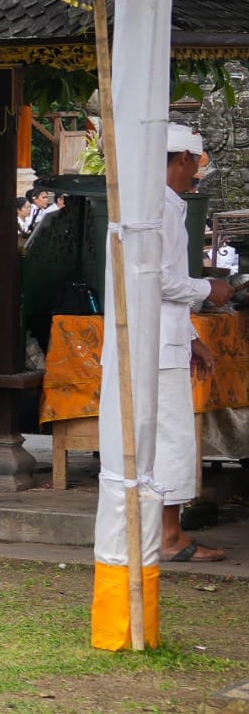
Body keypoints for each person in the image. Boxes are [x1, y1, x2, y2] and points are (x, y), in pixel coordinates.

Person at [160, 124, 235, 561]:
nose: (197, 176)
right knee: (169, 438)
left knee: (168, 437)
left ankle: (165, 532)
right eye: (197, 165)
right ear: (184, 159)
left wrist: (191, 338)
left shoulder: (168, 205)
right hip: (155, 351)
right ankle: (169, 536)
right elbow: (159, 281)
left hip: (167, 339)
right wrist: (210, 289)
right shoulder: (161, 207)